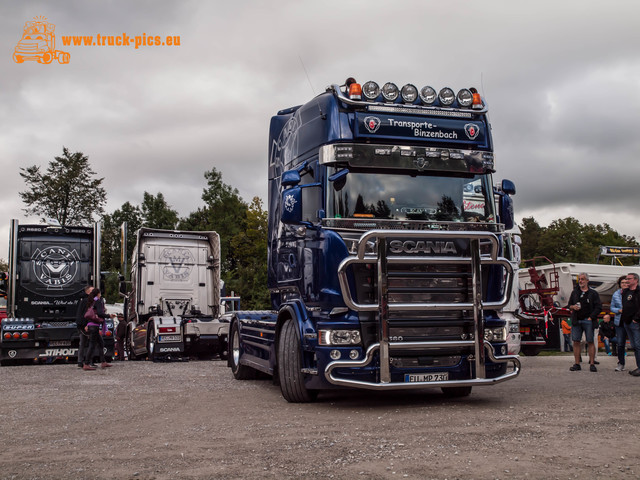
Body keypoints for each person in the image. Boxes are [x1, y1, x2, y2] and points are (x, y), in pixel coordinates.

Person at [567, 272, 602, 372]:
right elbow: (569, 305)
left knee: (590, 341)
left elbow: (598, 307)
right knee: (576, 341)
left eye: (583, 279)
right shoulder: (575, 292)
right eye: (579, 279)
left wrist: (591, 317)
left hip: (588, 320)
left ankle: (592, 363)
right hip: (577, 320)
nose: (581, 281)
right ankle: (577, 363)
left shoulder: (593, 293)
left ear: (587, 280)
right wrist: (573, 307)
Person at [82, 288, 113, 371]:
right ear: (98, 294)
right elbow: (100, 313)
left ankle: (103, 361)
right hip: (94, 326)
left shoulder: (91, 301)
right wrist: (109, 316)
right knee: (92, 345)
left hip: (91, 325)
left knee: (101, 343)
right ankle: (86, 363)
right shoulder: (98, 301)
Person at [620, 273, 640, 377]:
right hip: (627, 322)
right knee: (634, 346)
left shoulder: (638, 291)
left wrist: (636, 319)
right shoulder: (626, 292)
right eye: (626, 279)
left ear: (636, 280)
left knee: (638, 345)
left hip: (635, 322)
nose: (627, 280)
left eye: (629, 279)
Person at [610, 275, 628, 371]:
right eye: (622, 283)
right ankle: (621, 363)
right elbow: (612, 307)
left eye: (626, 282)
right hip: (619, 322)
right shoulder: (616, 294)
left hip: (631, 321)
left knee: (636, 344)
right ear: (619, 284)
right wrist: (618, 310)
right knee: (620, 343)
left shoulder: (633, 293)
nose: (624, 284)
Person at [75, 285, 94, 368]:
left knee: (84, 343)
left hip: (83, 324)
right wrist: (86, 324)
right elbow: (85, 314)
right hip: (85, 325)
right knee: (87, 343)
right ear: (88, 292)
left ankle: (82, 361)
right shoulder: (87, 301)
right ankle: (87, 361)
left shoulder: (84, 300)